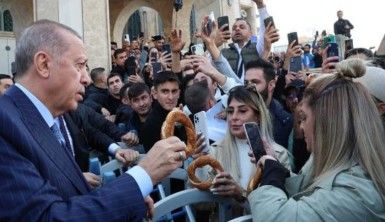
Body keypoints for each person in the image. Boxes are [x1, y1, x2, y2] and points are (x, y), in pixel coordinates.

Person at [0, 20, 187, 221]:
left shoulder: (45, 117)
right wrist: (142, 176)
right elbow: (48, 217)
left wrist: (127, 196)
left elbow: (63, 193)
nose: (87, 79)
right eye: (79, 65)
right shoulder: (5, 126)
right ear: (44, 64)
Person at [248, 59, 385, 221]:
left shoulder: (356, 192)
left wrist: (271, 179)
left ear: (326, 123)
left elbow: (278, 218)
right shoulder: (334, 162)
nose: (302, 127)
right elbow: (309, 194)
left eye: (304, 118)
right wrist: (279, 170)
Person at [197, 85, 290, 220]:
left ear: (258, 116)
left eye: (242, 111)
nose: (234, 117)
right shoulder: (215, 151)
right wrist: (200, 163)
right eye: (230, 111)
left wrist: (240, 194)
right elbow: (200, 205)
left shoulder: (278, 155)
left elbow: (281, 211)